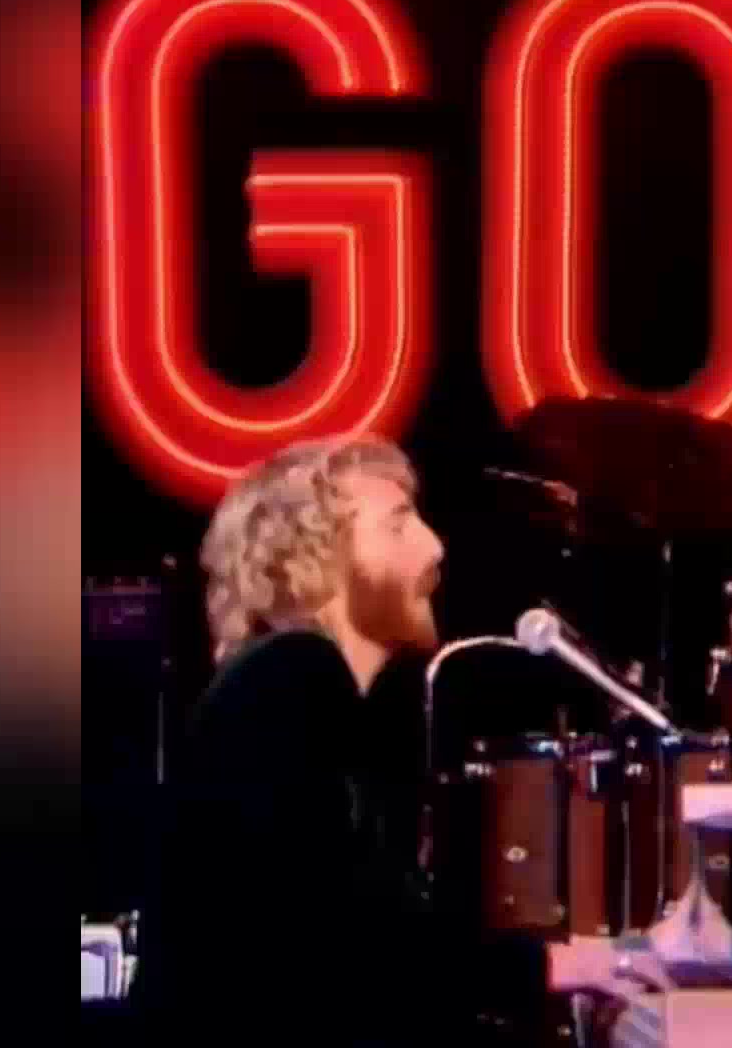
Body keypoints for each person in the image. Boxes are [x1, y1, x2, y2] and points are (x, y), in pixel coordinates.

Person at [134, 435, 616, 1045]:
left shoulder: (293, 689)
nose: (435, 546)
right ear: (318, 556)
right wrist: (561, 964)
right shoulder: (290, 674)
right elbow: (354, 942)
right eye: (397, 523)